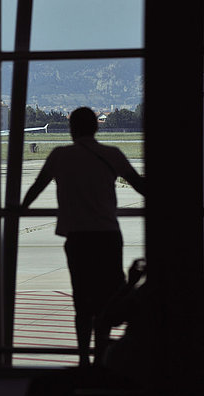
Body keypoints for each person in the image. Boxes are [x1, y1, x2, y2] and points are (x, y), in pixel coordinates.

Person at [20, 107, 145, 367]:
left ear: (71, 129)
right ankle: (101, 356)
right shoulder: (112, 154)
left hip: (77, 238)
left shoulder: (60, 156)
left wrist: (17, 211)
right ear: (96, 127)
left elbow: (36, 188)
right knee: (107, 300)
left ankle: (83, 359)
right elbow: (141, 185)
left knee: (82, 299)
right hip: (108, 236)